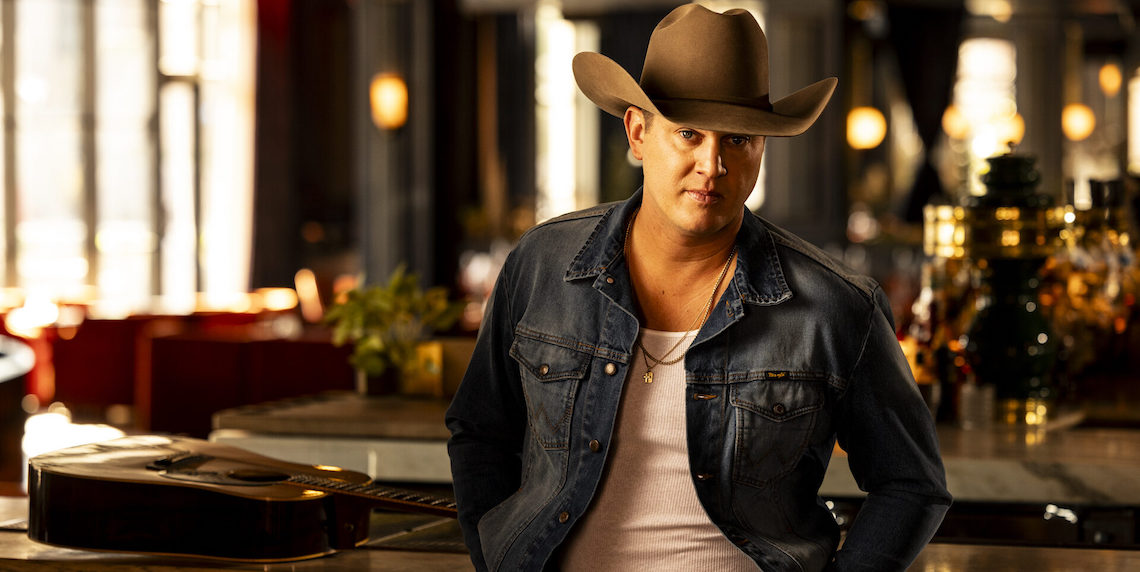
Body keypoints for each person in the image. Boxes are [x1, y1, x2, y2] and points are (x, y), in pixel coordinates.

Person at [446, 4, 951, 571]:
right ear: (638, 132)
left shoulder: (833, 306)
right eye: (688, 133)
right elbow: (479, 431)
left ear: (762, 148)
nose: (712, 164)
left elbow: (911, 483)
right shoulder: (544, 264)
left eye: (739, 139)